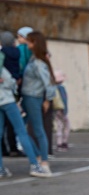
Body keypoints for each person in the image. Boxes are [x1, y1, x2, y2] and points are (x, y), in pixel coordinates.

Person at [0, 65, 51, 178]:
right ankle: (35, 165)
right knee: (21, 131)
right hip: (8, 101)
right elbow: (10, 82)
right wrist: (14, 83)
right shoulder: (2, 68)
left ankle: (0, 168)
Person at [20, 31, 57, 172]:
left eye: (29, 41)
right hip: (29, 97)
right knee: (25, 130)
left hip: (34, 97)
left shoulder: (38, 63)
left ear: (34, 43)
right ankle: (39, 156)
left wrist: (47, 99)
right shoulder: (33, 59)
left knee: (37, 130)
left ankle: (44, 161)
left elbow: (49, 83)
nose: (27, 43)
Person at [53, 71, 71, 151]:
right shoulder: (61, 88)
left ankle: (58, 143)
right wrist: (65, 110)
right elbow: (64, 99)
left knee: (59, 125)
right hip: (61, 109)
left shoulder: (52, 88)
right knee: (66, 125)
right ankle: (64, 142)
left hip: (55, 109)